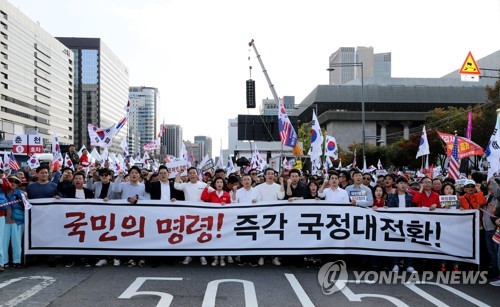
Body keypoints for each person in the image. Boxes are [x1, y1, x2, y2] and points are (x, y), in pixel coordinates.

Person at [174, 167, 208, 266]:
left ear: (197, 174)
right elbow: (176, 185)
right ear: (188, 175)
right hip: (189, 215)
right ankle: (188, 255)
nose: (192, 175)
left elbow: (213, 193)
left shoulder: (204, 185)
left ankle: (202, 256)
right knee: (189, 235)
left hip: (202, 215)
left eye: (194, 173)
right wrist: (179, 173)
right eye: (190, 173)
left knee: (201, 235)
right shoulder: (185, 185)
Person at [87, 168, 120, 267]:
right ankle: (103, 258)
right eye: (102, 175)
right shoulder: (97, 184)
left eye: (106, 175)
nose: (104, 176)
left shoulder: (115, 186)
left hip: (112, 213)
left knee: (113, 235)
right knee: (101, 235)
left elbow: (118, 197)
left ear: (110, 176)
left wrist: (110, 199)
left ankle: (116, 257)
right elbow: (89, 187)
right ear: (99, 176)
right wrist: (90, 176)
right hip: (99, 213)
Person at [254, 167, 285, 266]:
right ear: (265, 176)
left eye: (272, 174)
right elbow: (255, 199)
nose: (270, 175)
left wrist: (282, 184)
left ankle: (274, 257)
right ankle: (261, 256)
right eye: (269, 174)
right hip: (262, 216)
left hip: (275, 216)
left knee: (274, 237)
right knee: (262, 236)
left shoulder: (278, 186)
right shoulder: (258, 188)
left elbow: (281, 197)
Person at [387, 176, 416, 273]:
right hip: (396, 224)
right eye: (401, 183)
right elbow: (390, 208)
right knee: (396, 244)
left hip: (408, 224)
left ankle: (409, 265)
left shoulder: (411, 197)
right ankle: (395, 264)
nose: (403, 185)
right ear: (396, 185)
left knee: (409, 244)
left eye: (405, 183)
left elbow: (414, 210)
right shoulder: (391, 196)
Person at [201, 177, 231, 266]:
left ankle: (222, 258)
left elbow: (231, 207)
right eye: (217, 182)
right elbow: (203, 197)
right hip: (213, 221)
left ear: (223, 184)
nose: (219, 184)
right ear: (215, 184)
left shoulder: (226, 194)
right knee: (214, 239)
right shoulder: (211, 193)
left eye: (221, 182)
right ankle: (215, 258)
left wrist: (226, 205)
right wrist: (207, 186)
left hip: (223, 221)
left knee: (222, 239)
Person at [0, 172, 13, 271]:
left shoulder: (2, 183)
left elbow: (9, 187)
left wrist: (3, 178)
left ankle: (1, 263)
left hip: (0, 215)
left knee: (0, 240)